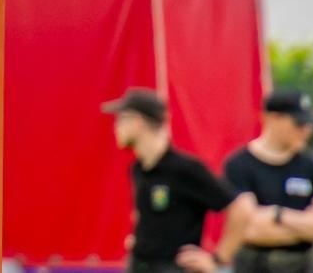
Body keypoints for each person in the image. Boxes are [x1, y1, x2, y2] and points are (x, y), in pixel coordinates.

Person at [104, 87, 248, 273]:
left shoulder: (184, 169)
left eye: (120, 120)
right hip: (139, 265)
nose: (115, 127)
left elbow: (242, 208)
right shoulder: (138, 169)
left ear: (137, 122)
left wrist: (217, 259)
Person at [215, 90, 313, 272]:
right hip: (254, 264)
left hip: (302, 265)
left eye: (308, 125)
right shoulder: (239, 165)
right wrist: (302, 223)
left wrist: (277, 214)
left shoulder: (311, 166)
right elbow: (248, 228)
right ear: (272, 119)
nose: (305, 131)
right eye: (298, 124)